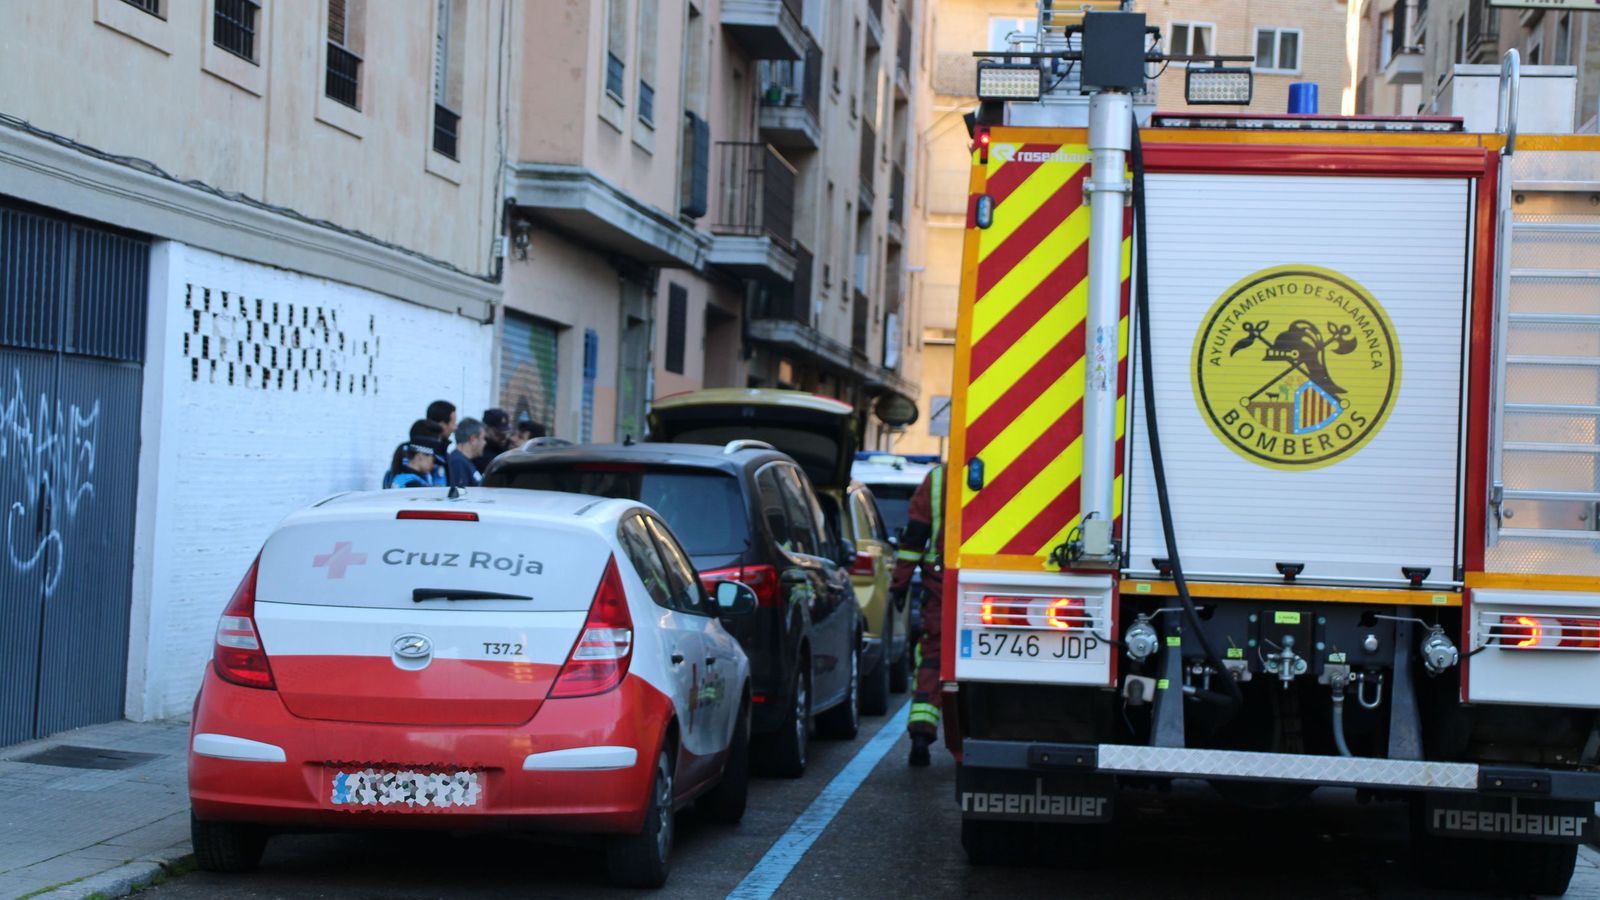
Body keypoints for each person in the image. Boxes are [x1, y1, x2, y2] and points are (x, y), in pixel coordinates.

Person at [889, 463, 946, 767]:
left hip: (942, 584)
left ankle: (921, 732)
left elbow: (914, 537)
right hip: (999, 586)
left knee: (933, 658)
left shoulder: (938, 478)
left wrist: (900, 582)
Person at [448, 418, 486, 488]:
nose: (484, 443)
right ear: (473, 439)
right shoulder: (458, 462)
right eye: (483, 438)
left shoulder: (464, 461)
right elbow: (462, 492)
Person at [476, 408, 513, 473]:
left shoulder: (508, 445)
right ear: (485, 429)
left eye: (505, 433)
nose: (503, 437)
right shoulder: (479, 452)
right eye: (498, 433)